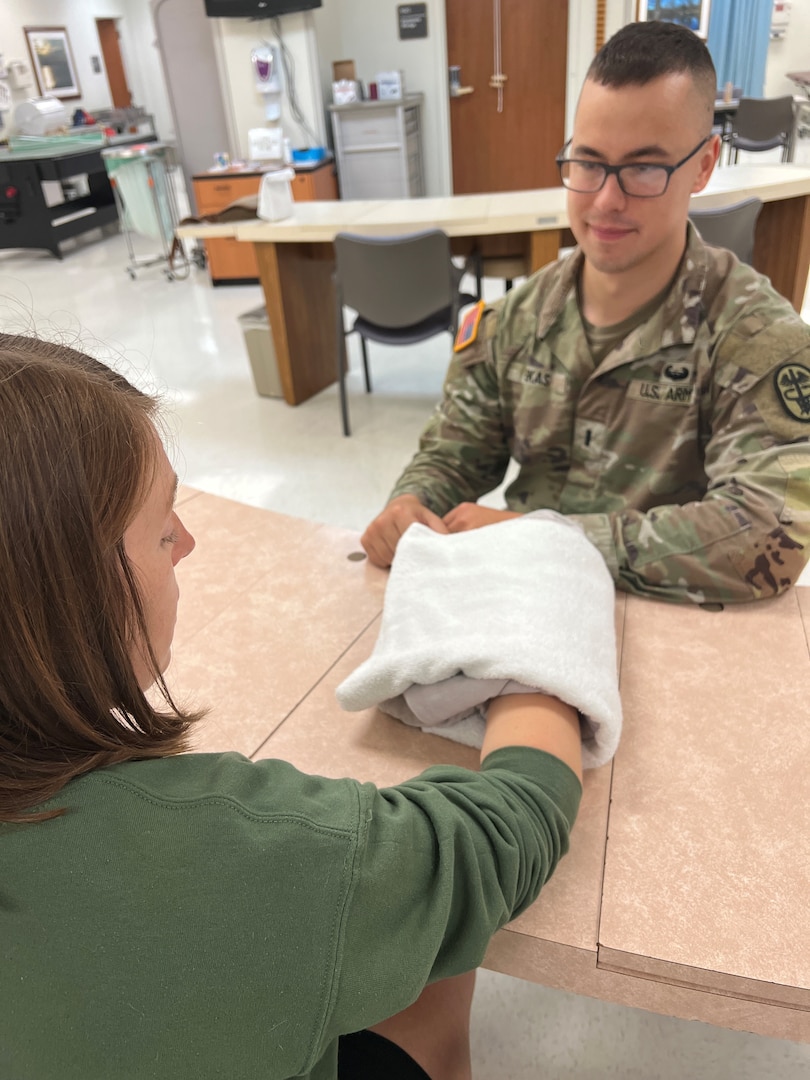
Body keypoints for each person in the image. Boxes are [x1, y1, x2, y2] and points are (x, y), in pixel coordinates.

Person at [0, 332, 586, 1080]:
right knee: (430, 958)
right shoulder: (242, 854)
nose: (185, 542)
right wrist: (537, 648)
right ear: (64, 589)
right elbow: (492, 841)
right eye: (159, 527)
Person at [361, 21, 810, 605]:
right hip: (519, 603)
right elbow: (454, 453)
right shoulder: (515, 319)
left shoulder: (756, 338)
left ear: (704, 166)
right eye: (588, 162)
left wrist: (549, 540)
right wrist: (411, 503)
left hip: (666, 620)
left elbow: (768, 534)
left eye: (645, 168)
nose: (605, 200)